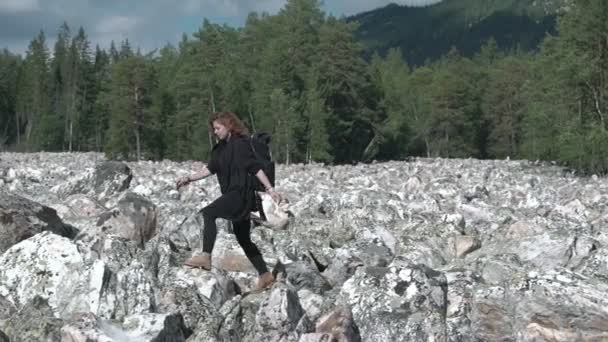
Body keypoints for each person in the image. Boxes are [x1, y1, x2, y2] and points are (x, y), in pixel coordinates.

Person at [176, 111, 282, 292]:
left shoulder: (240, 145)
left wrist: (270, 189)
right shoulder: (220, 149)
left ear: (229, 126)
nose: (215, 132)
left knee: (208, 213)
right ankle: (265, 275)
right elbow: (210, 169)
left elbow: (255, 168)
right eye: (214, 129)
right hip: (233, 194)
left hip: (241, 195)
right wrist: (189, 178)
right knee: (243, 239)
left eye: (218, 128)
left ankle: (205, 256)